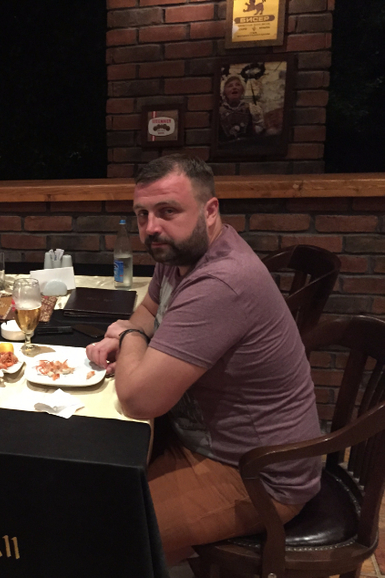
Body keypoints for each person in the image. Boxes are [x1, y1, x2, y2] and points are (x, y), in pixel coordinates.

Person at [85, 154, 322, 566]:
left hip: (256, 473)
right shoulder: (180, 254)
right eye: (142, 214)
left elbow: (139, 399)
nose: (151, 227)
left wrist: (128, 337)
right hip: (199, 438)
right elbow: (148, 310)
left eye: (168, 211)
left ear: (210, 210)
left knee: (103, 531)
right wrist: (134, 335)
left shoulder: (221, 281)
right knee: (89, 476)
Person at [219, 75, 265, 141]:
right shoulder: (219, 112)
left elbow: (260, 130)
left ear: (243, 90)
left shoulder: (251, 109)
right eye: (230, 86)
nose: (234, 87)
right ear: (224, 91)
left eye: (238, 85)